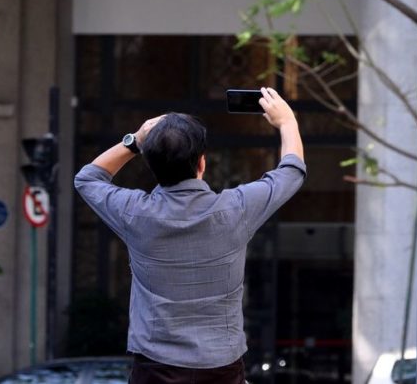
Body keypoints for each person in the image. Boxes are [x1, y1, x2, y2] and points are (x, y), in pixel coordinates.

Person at [74, 87, 305, 384]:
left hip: (154, 370)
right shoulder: (236, 210)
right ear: (202, 163)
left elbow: (88, 178)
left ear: (151, 165)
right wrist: (287, 122)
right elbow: (291, 172)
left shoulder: (134, 214)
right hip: (222, 370)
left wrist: (134, 141)